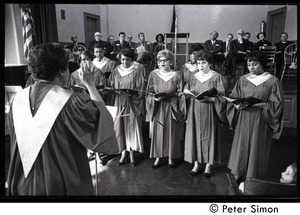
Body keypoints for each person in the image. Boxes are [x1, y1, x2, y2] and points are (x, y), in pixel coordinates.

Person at [6, 43, 118, 195]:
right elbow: (101, 126)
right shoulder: (70, 102)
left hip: (22, 182)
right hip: (59, 181)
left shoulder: (17, 99)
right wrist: (90, 85)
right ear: (62, 71)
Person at [227, 50, 284, 183]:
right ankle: (238, 172)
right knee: (241, 144)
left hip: (261, 118)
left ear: (262, 63)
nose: (251, 67)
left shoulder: (272, 81)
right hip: (244, 117)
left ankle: (252, 177)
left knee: (257, 146)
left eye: (255, 64)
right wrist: (237, 105)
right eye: (249, 64)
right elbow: (234, 97)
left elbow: (277, 105)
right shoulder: (243, 79)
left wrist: (262, 104)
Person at [183, 49, 228, 177]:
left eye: (203, 63)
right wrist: (186, 93)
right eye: (198, 63)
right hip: (194, 110)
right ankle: (196, 164)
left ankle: (208, 165)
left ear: (210, 63)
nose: (201, 66)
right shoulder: (193, 76)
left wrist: (211, 99)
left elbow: (223, 97)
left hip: (210, 111)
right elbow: (187, 89)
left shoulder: (217, 77)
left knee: (209, 136)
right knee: (195, 135)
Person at [146, 49, 186, 168]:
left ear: (170, 62)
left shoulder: (177, 75)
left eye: (165, 60)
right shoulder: (153, 74)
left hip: (172, 107)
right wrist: (154, 99)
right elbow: (149, 92)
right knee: (158, 132)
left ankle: (170, 157)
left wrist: (176, 97)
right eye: (159, 61)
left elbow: (180, 92)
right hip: (158, 107)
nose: (162, 63)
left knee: (171, 132)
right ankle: (158, 157)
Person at [108, 49, 146, 167]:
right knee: (120, 126)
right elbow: (110, 85)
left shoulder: (136, 71)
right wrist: (114, 90)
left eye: (127, 59)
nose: (125, 62)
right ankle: (123, 153)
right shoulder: (115, 71)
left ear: (131, 60)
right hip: (119, 101)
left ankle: (132, 153)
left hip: (131, 103)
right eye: (123, 59)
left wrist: (134, 93)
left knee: (131, 126)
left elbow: (140, 89)